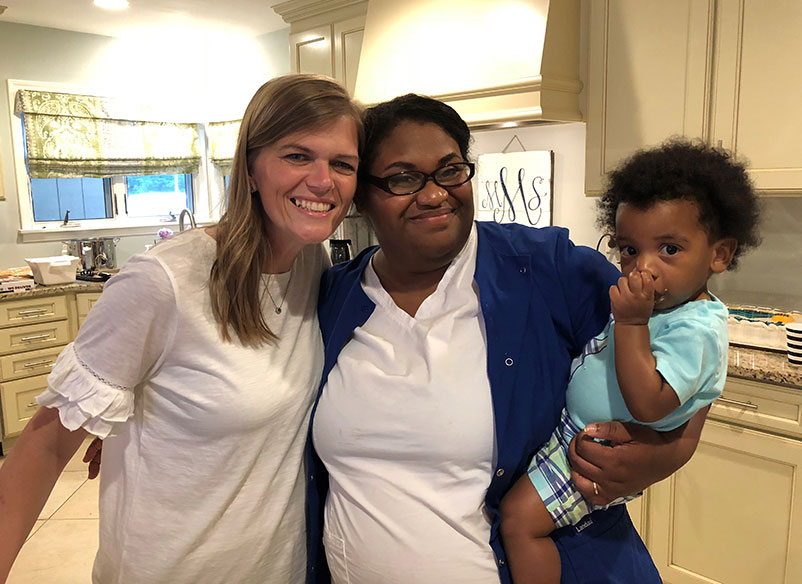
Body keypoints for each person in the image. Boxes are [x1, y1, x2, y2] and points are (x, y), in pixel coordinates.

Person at [304, 94, 711, 584]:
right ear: (361, 195)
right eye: (403, 178)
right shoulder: (332, 296)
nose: (435, 194)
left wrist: (670, 450)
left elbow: (684, 330)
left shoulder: (548, 268)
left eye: (451, 170)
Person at [0, 74, 363, 584]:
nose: (323, 180)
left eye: (342, 163)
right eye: (297, 156)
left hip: (278, 569)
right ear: (252, 169)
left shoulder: (313, 266)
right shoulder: (163, 281)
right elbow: (44, 446)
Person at [498, 140, 761, 583]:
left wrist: (632, 323)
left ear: (719, 254)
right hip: (576, 432)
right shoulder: (660, 309)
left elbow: (649, 404)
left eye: (670, 250)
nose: (643, 268)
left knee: (519, 522)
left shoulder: (694, 329)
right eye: (629, 250)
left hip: (597, 450)